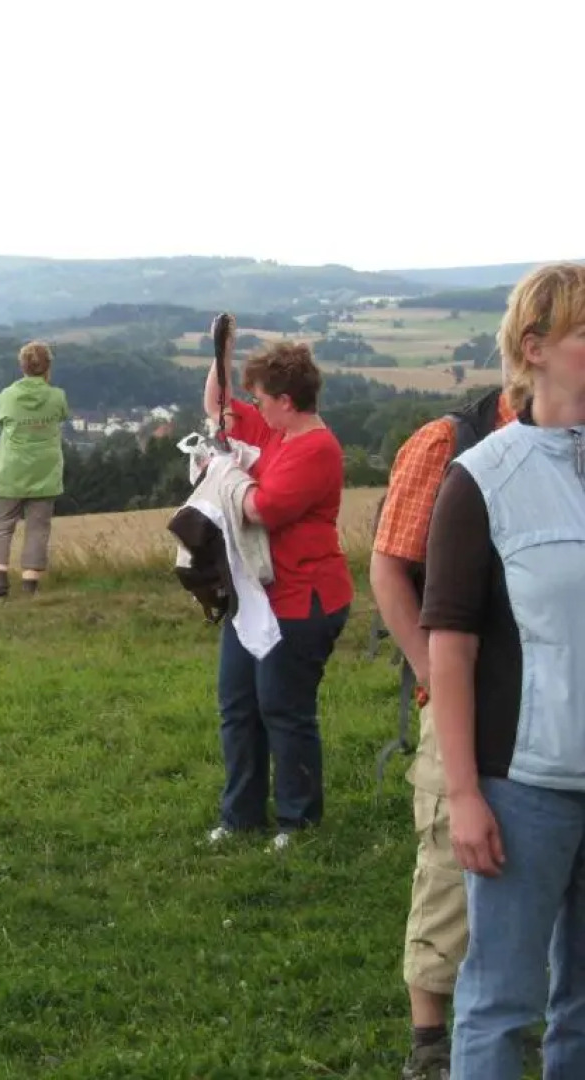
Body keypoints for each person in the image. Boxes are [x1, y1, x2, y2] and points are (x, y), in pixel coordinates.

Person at [421, 262, 585, 1080]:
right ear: (535, 348)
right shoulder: (483, 479)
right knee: (501, 1003)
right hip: (524, 791)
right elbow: (450, 651)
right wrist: (465, 794)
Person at [371, 378, 516, 1080]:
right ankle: (429, 1041)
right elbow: (389, 567)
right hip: (460, 683)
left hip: (552, 691)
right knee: (447, 857)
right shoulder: (447, 441)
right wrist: (432, 672)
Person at [202, 334, 353, 851]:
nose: (256, 406)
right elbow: (219, 407)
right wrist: (222, 353)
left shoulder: (315, 449)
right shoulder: (278, 433)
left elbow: (262, 509)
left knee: (284, 710)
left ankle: (298, 821)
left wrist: (223, 476)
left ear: (286, 401)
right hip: (256, 598)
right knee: (239, 705)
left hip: (303, 598)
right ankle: (240, 816)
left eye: (262, 398)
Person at [0, 340, 70, 599]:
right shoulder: (57, 396)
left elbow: (2, 422)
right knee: (38, 527)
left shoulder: (7, 395)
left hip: (12, 468)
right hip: (45, 470)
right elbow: (63, 416)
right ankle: (30, 582)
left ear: (22, 366)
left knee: (2, 524)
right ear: (48, 366)